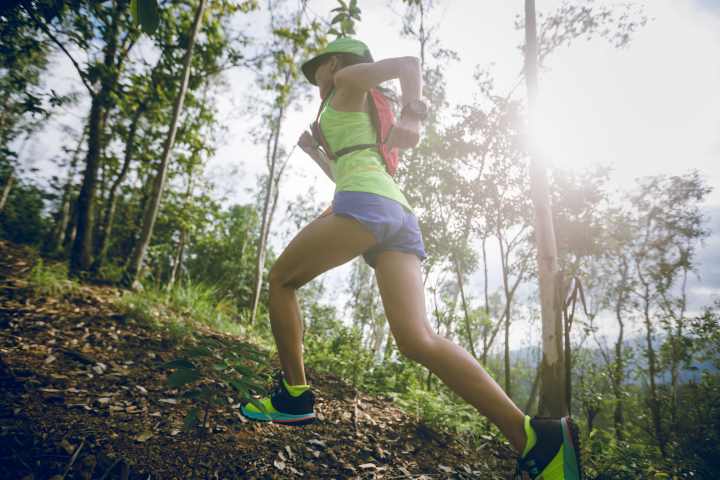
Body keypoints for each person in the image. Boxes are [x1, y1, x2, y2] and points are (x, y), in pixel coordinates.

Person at [241, 37, 582, 480]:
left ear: (335, 63)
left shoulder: (345, 80)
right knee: (418, 339)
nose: (316, 81)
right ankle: (536, 437)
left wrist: (413, 115)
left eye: (317, 71)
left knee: (281, 281)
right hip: (394, 212)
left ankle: (293, 398)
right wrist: (320, 155)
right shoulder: (357, 112)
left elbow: (407, 63)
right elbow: (355, 171)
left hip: (369, 206)